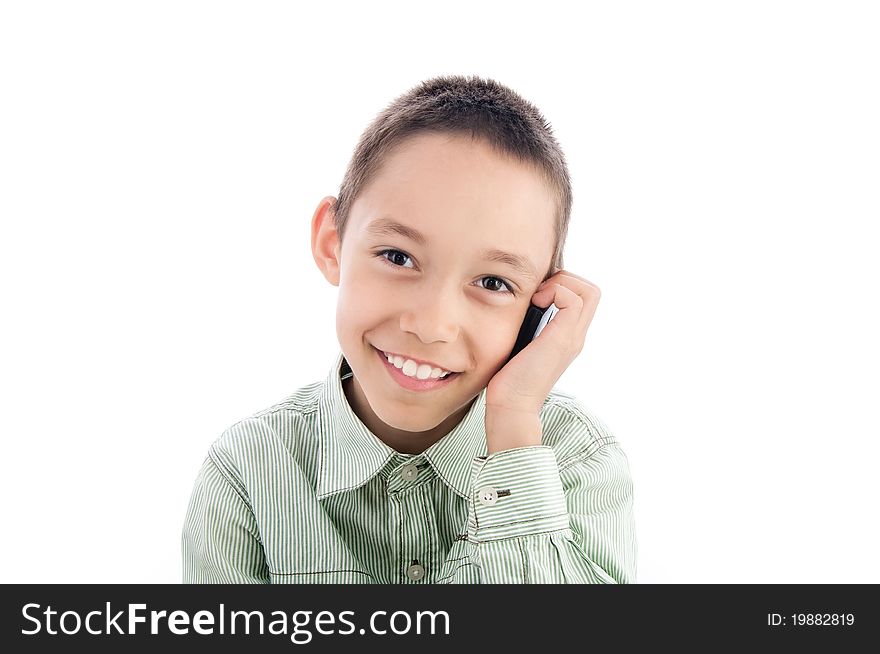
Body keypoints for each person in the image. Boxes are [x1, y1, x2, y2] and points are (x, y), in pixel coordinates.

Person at [181, 75, 637, 583]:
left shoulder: (579, 460)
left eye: (492, 282)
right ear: (333, 243)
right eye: (398, 257)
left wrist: (513, 425)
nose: (431, 325)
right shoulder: (246, 471)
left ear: (540, 309)